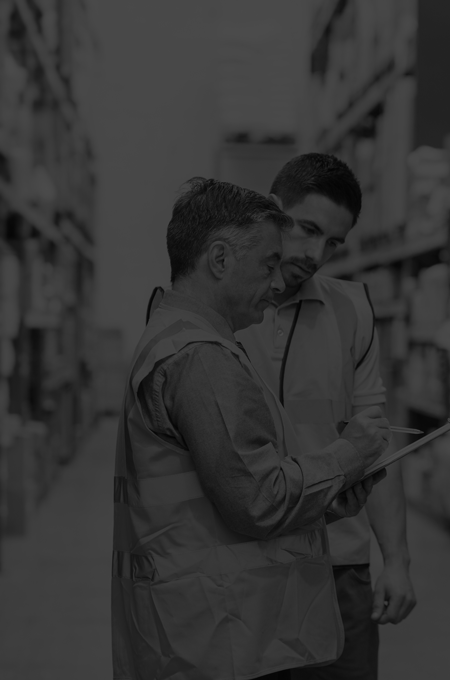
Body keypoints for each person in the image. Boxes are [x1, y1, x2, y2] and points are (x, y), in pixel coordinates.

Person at [113, 178, 392, 680]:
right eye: (267, 265)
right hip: (212, 634)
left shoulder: (175, 333)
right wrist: (348, 456)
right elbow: (259, 500)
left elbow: (220, 491)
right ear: (220, 260)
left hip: (197, 619)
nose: (276, 283)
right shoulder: (202, 358)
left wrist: (334, 494)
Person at [233, 153, 417, 680]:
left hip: (337, 569)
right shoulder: (218, 306)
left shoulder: (350, 309)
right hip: (241, 568)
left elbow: (374, 440)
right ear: (272, 212)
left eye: (333, 242)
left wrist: (397, 561)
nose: (316, 254)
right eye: (307, 229)